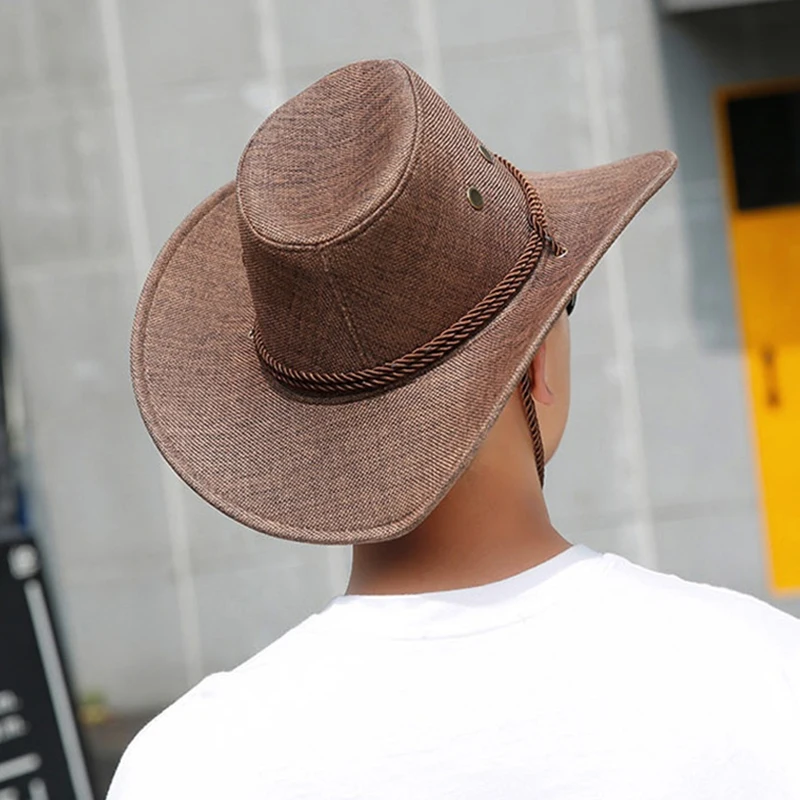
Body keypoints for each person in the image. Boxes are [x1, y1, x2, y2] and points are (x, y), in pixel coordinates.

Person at [108, 59, 800, 798]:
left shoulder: (187, 764)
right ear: (537, 367)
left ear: (292, 431)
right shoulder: (758, 680)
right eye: (562, 306)